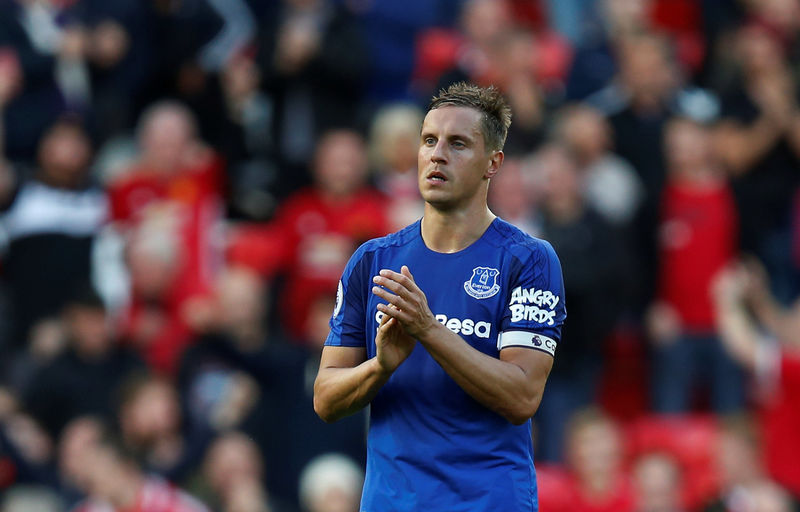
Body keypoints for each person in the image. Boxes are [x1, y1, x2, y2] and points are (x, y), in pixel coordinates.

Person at [313, 82, 566, 511]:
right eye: (429, 140)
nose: (437, 154)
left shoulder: (528, 260)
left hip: (487, 501)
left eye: (458, 143)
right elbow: (325, 398)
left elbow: (522, 396)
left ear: (493, 162)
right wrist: (381, 366)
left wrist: (429, 330)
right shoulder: (372, 261)